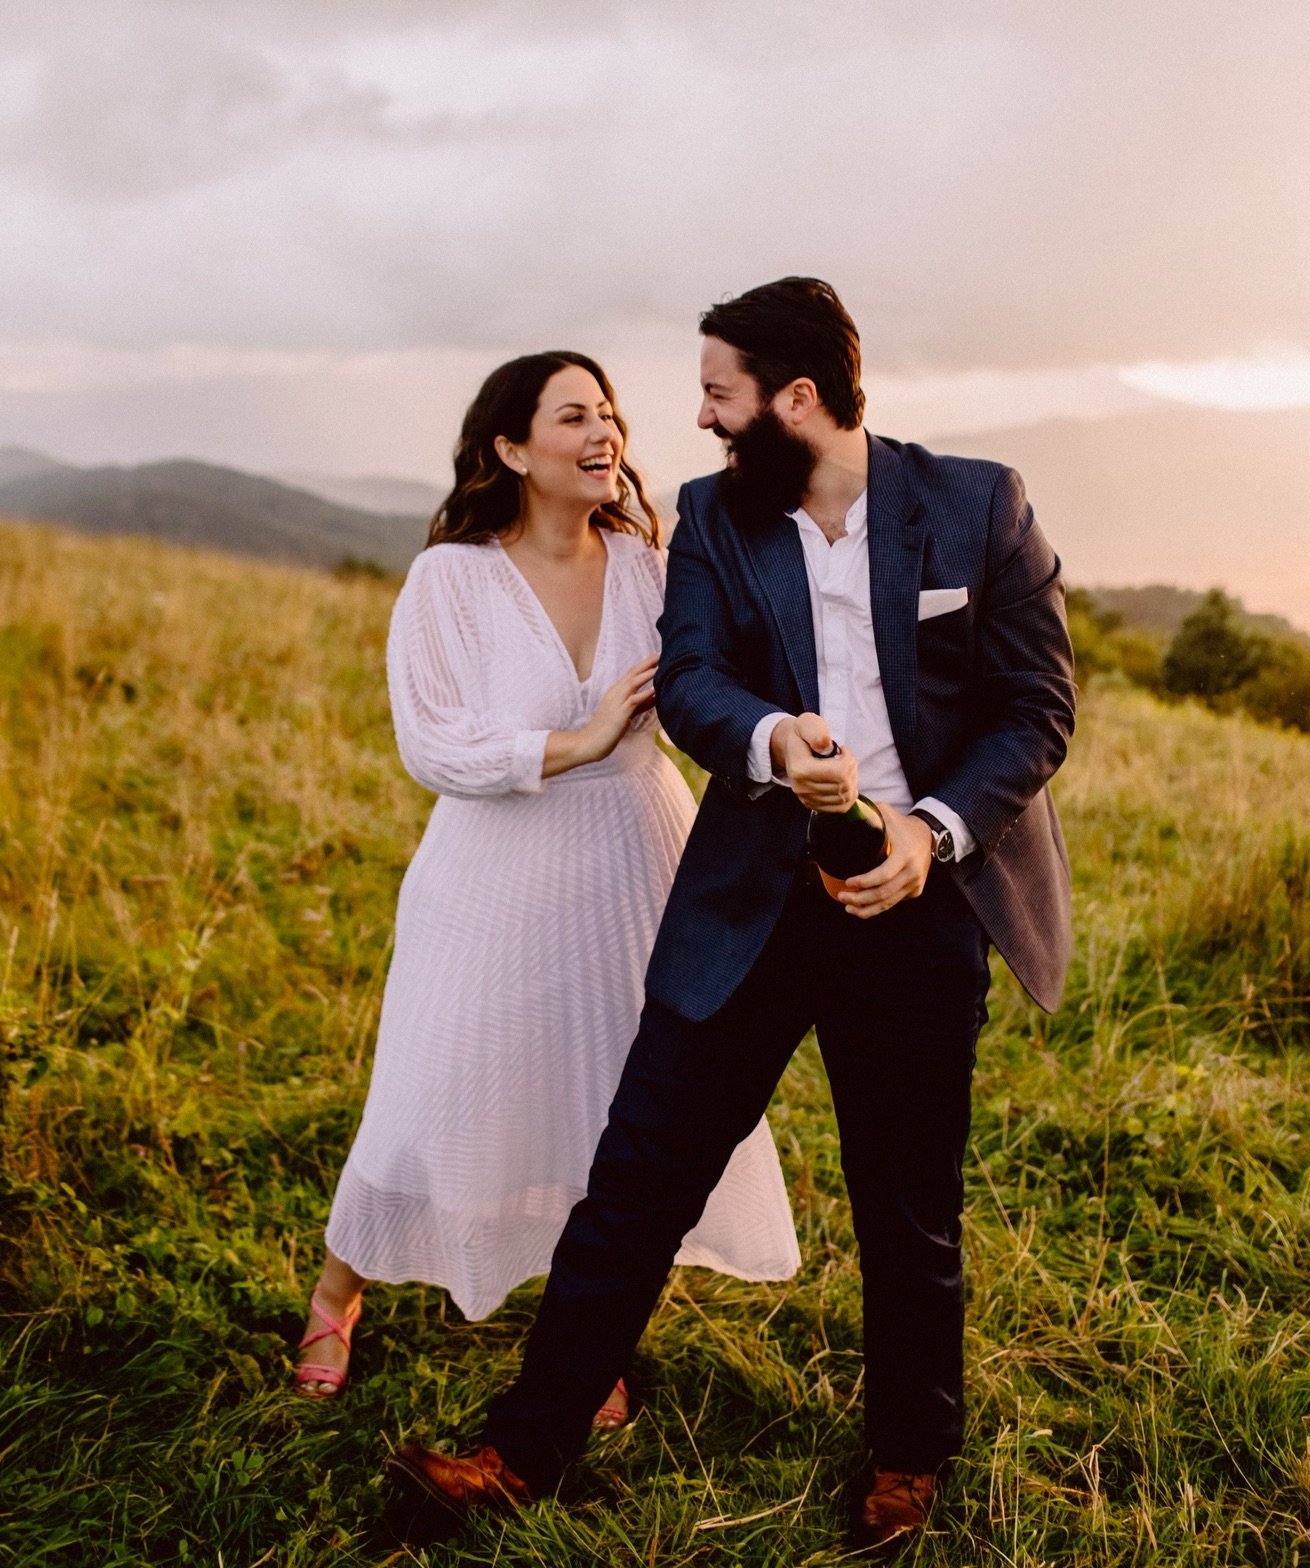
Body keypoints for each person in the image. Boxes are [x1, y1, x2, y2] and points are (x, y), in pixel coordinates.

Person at [392, 282, 1075, 1554]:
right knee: (636, 1178)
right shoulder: (714, 518)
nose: (699, 419)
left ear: (795, 399)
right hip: (751, 901)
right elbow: (696, 681)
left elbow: (1036, 708)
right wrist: (769, 740)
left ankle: (908, 1456)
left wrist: (929, 833)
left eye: (719, 395)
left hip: (919, 903)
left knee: (907, 1203)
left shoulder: (980, 504)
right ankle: (521, 1450)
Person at [294, 351, 799, 1407]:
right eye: (573, 416)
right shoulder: (452, 579)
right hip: (491, 876)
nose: (603, 431)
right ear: (512, 449)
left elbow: (707, 697)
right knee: (435, 1090)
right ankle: (338, 1292)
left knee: (614, 1100)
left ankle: (586, 1337)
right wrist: (579, 739)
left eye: (608, 411)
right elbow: (435, 744)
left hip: (635, 864)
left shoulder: (651, 567)